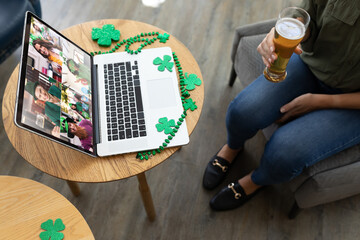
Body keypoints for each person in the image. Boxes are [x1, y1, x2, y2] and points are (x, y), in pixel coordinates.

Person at [203, 0, 360, 211]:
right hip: (314, 66)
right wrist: (281, 34)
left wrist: (318, 102)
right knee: (243, 112)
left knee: (283, 156)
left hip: (354, 105)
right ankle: (233, 147)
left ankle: (256, 181)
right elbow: (307, 15)